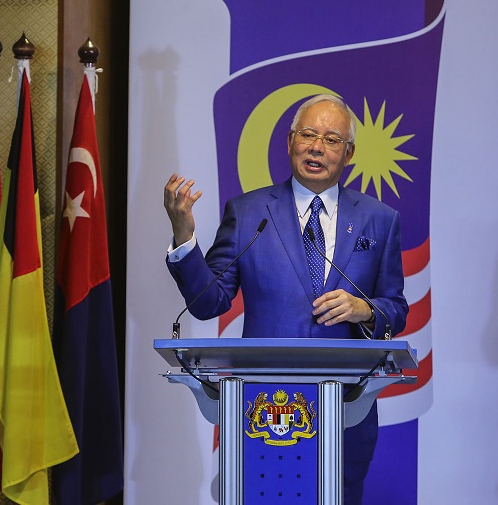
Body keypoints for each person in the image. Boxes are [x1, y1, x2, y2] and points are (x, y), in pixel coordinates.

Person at [163, 94, 408, 504]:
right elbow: (209, 303)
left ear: (349, 153)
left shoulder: (379, 219)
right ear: (290, 141)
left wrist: (366, 309)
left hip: (345, 411)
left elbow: (395, 309)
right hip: (263, 411)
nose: (316, 147)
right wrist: (184, 234)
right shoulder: (248, 212)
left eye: (331, 139)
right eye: (308, 135)